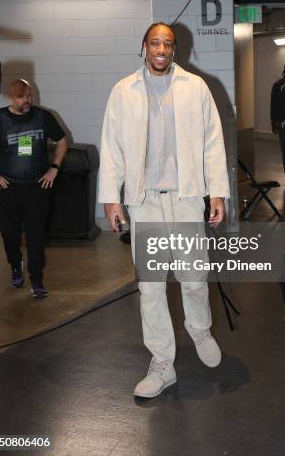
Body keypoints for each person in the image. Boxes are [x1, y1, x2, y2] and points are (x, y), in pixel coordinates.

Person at [99, 22, 229, 399]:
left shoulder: (196, 88)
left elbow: (212, 143)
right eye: (155, 42)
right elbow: (112, 149)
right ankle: (162, 363)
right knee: (151, 287)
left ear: (174, 50)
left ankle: (200, 329)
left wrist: (217, 193)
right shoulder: (123, 92)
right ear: (144, 47)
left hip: (187, 198)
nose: (161, 48)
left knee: (193, 278)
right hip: (145, 202)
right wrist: (111, 198)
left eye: (167, 44)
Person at [0, 79, 68, 298]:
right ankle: (15, 265)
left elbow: (62, 141)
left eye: (29, 95)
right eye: (21, 97)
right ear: (11, 97)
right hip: (9, 188)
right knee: (9, 234)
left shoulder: (43, 117)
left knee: (36, 236)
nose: (26, 100)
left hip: (37, 187)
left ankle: (36, 280)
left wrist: (54, 168)